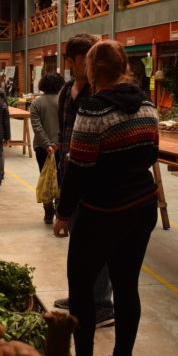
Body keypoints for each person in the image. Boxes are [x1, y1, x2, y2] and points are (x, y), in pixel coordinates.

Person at [53, 40, 159, 356]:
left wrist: (63, 213)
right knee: (127, 285)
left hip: (102, 210)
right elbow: (150, 155)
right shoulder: (147, 105)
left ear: (91, 69)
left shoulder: (94, 109)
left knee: (81, 285)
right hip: (142, 206)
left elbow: (79, 168)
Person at [53, 35, 114, 320]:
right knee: (78, 243)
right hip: (70, 175)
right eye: (84, 59)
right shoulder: (67, 91)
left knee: (97, 245)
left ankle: (101, 304)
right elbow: (64, 133)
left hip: (96, 182)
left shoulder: (101, 93)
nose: (90, 64)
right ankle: (81, 297)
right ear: (72, 61)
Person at [30, 73, 64, 223]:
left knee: (45, 178)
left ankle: (48, 211)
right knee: (60, 178)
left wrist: (46, 145)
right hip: (61, 147)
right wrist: (56, 143)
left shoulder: (36, 103)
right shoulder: (64, 102)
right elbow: (65, 124)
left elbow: (36, 127)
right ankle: (59, 209)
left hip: (41, 148)